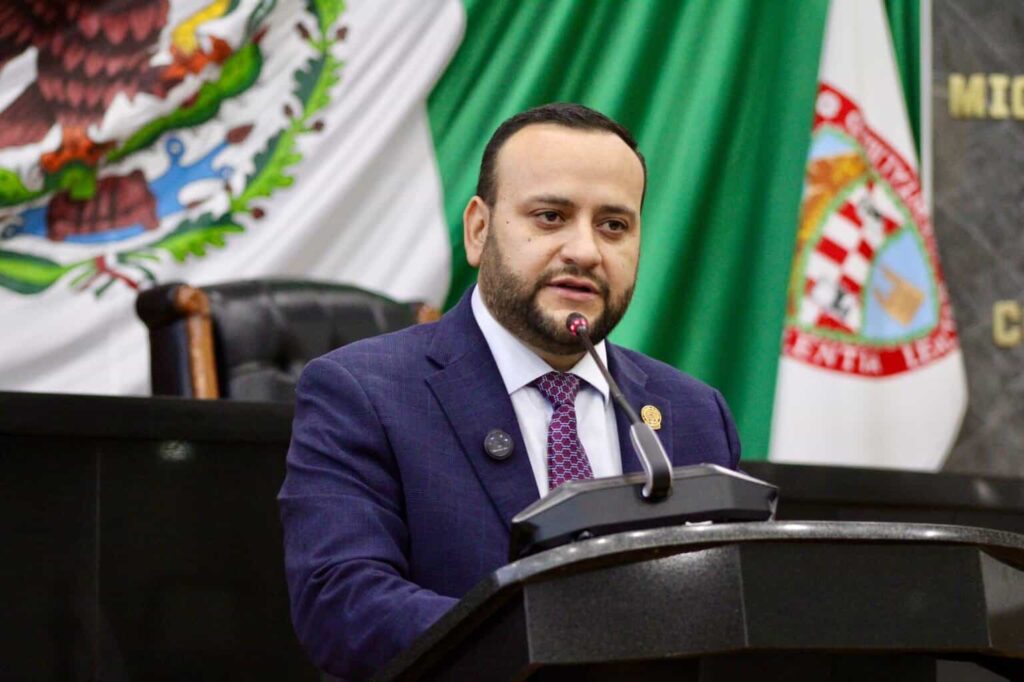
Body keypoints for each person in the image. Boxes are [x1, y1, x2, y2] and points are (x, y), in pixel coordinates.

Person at [278, 103, 741, 679]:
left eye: (613, 226)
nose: (585, 251)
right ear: (479, 230)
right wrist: (554, 644)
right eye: (550, 217)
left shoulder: (695, 413)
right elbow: (343, 605)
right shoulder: (363, 392)